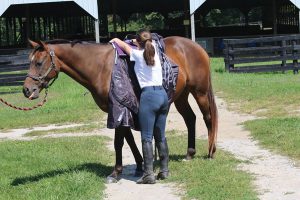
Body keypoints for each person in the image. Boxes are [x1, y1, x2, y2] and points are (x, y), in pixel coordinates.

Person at [110, 29, 169, 184]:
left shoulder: (136, 54)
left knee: (147, 137)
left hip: (149, 97)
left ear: (137, 42)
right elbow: (152, 39)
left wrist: (116, 39)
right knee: (160, 135)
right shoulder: (154, 48)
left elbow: (123, 45)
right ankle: (164, 170)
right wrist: (139, 40)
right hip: (162, 95)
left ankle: (148, 175)